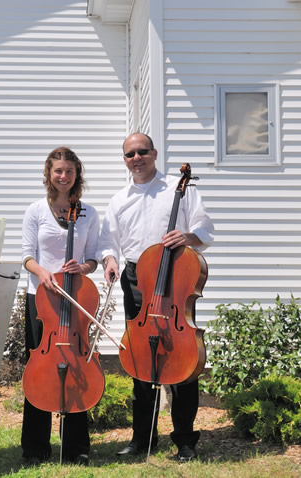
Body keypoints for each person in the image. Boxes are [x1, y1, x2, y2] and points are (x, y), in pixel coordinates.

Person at [99, 132, 214, 462]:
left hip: (176, 276)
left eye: (142, 151)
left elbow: (204, 230)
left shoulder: (181, 189)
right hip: (137, 278)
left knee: (182, 360)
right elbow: (110, 241)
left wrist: (187, 235)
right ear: (125, 160)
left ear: (154, 153)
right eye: (130, 154)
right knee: (140, 360)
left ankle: (185, 441)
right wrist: (109, 261)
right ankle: (143, 439)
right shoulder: (119, 199)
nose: (137, 158)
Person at [20, 146, 99, 466]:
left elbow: (92, 257)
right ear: (49, 174)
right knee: (39, 370)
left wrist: (84, 268)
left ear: (76, 173)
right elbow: (27, 256)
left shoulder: (89, 213)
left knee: (77, 366)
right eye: (58, 171)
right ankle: (36, 447)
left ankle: (76, 446)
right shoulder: (36, 210)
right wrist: (43, 273)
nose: (63, 176)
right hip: (41, 301)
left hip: (75, 298)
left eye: (69, 170)